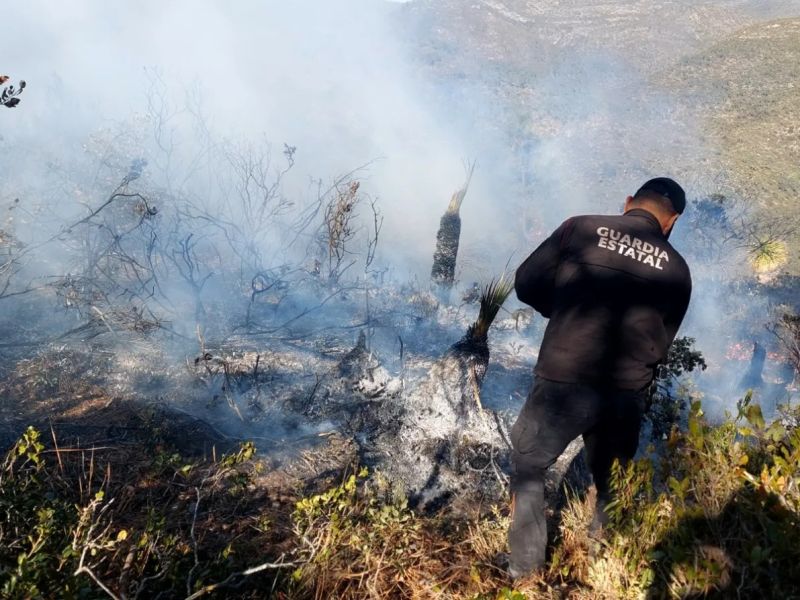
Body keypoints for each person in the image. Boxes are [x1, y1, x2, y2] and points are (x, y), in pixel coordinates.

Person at [507, 177, 692, 578]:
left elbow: (525, 284)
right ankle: (602, 567)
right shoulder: (677, 269)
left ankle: (524, 574)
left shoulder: (581, 227)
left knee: (529, 463)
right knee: (611, 486)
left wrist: (563, 309)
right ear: (672, 221)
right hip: (626, 393)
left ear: (627, 202)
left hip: (562, 379)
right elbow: (662, 342)